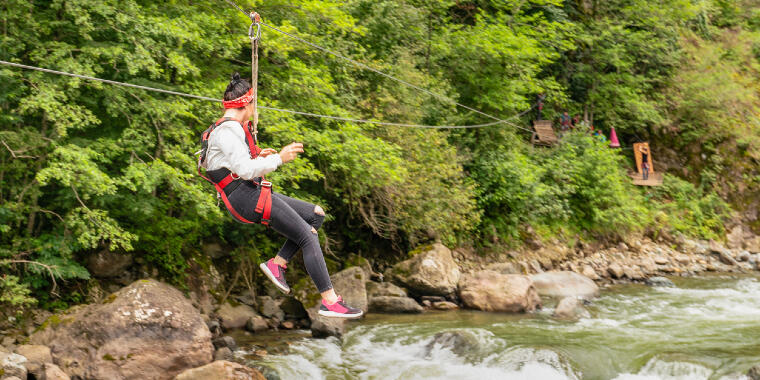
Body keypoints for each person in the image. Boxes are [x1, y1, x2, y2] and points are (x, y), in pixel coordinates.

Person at [202, 73, 363, 318]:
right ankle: (330, 301)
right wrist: (279, 158)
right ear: (247, 104)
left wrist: (260, 158)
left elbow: (235, 164)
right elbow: (244, 171)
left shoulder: (227, 129)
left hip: (248, 192)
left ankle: (277, 264)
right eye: (255, 104)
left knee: (316, 215)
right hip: (245, 197)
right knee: (308, 237)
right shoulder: (228, 131)